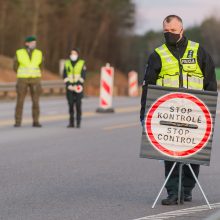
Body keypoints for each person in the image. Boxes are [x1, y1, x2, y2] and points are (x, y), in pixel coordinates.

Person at [140, 15, 217, 205]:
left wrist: (209, 112)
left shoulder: (198, 51)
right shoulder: (157, 55)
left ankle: (187, 189)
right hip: (168, 113)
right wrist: (144, 113)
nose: (169, 34)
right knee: (170, 153)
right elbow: (148, 86)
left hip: (196, 114)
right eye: (166, 32)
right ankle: (173, 192)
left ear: (181, 30)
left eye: (173, 31)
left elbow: (210, 83)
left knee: (194, 155)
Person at [14, 35, 43, 127]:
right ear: (26, 43)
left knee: (35, 101)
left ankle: (36, 121)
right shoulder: (19, 52)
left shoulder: (39, 53)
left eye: (35, 43)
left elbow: (41, 66)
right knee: (20, 101)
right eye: (32, 43)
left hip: (35, 79)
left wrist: (37, 74)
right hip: (22, 80)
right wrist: (21, 73)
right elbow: (15, 66)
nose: (34, 44)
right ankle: (18, 121)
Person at [63, 48, 86, 128]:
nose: (73, 55)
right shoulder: (67, 63)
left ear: (77, 54)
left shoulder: (81, 63)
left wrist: (77, 84)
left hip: (78, 88)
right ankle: (71, 122)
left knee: (78, 105)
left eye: (74, 53)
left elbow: (83, 75)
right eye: (72, 53)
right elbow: (65, 75)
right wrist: (68, 84)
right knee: (71, 105)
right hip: (70, 88)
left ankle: (78, 122)